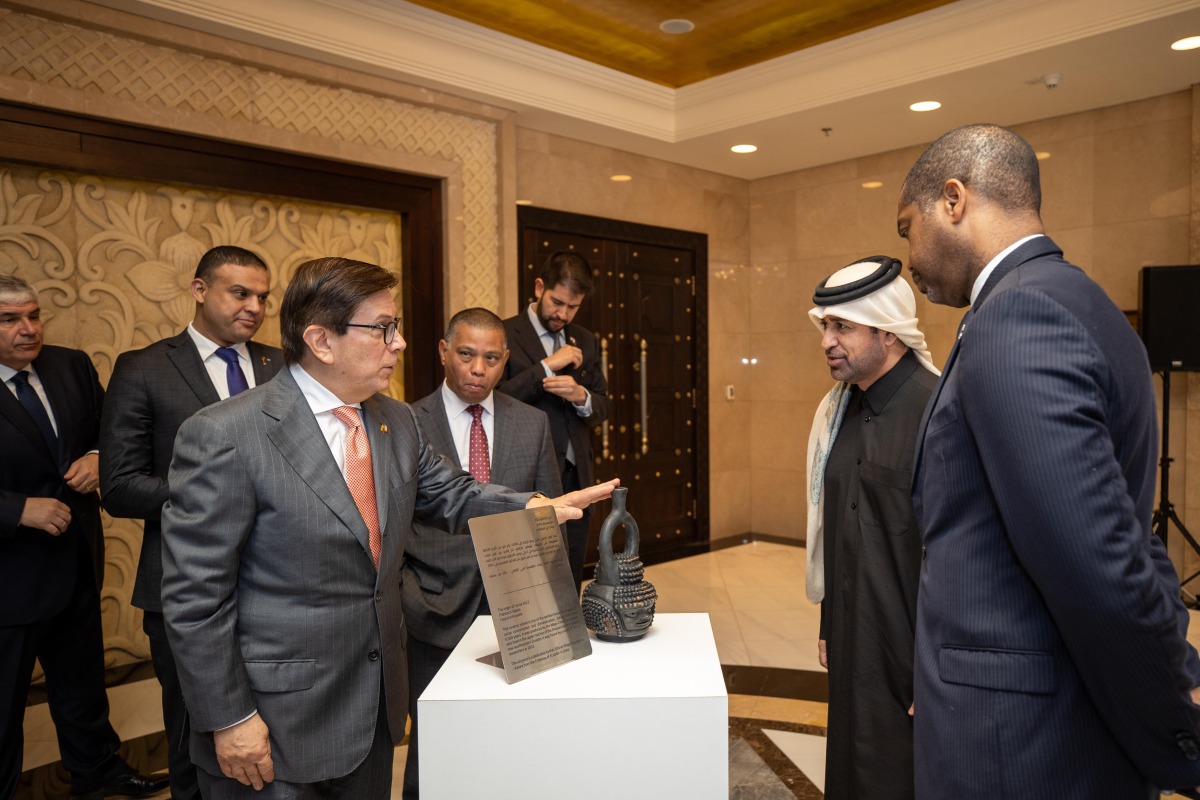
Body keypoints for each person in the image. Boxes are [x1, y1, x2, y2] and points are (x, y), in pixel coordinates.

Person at [161, 257, 616, 799]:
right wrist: (230, 717)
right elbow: (195, 598)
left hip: (372, 709)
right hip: (275, 724)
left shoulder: (392, 420)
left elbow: (453, 494)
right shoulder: (226, 434)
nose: (399, 344)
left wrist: (538, 505)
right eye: (383, 329)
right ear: (321, 341)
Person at [897, 123, 1200, 799]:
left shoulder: (1019, 315)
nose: (909, 256)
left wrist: (1174, 736)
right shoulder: (1079, 302)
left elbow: (1096, 562)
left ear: (953, 200)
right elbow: (1129, 530)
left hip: (1019, 747)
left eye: (906, 227)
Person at [100, 245, 282, 800]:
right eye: (240, 293)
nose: (254, 307)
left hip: (278, 585)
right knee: (195, 743)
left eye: (262, 297)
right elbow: (121, 486)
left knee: (270, 740)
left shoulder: (281, 366)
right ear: (200, 289)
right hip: (183, 586)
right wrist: (222, 494)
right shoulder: (146, 367)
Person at [0, 274, 167, 800]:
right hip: (8, 577)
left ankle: (98, 773)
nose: (29, 330)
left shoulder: (68, 364)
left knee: (82, 688)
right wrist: (15, 510)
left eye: (33, 315)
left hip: (74, 560)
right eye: (10, 320)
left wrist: (98, 459)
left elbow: (107, 430)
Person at [400, 307, 561, 799]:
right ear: (444, 351)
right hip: (432, 602)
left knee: (515, 733)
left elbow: (551, 515)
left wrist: (558, 600)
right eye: (466, 354)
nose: (478, 369)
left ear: (506, 360)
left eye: (491, 358)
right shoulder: (405, 422)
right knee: (434, 737)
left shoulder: (532, 423)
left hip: (517, 603)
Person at [804, 256, 939, 799]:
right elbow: (836, 529)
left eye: (842, 327)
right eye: (825, 327)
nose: (826, 341)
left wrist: (936, 669)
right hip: (852, 634)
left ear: (888, 333)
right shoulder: (839, 411)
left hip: (910, 654)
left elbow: (958, 556)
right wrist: (828, 624)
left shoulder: (936, 410)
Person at [500, 251, 609, 595]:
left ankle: (568, 638)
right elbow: (496, 399)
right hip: (526, 476)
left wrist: (581, 396)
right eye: (557, 302)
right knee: (526, 578)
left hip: (576, 475)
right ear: (538, 287)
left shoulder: (586, 340)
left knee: (570, 572)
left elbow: (602, 407)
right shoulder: (504, 334)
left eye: (573, 307)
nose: (563, 314)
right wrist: (546, 367)